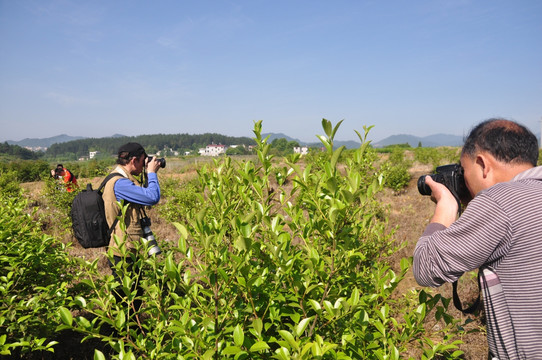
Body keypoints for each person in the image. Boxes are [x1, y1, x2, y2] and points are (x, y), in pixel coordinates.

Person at [413, 118, 542, 359]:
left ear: (482, 164)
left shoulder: (499, 202)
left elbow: (425, 267)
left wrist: (446, 205)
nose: (464, 181)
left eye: (464, 171)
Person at [102, 142, 162, 312]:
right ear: (134, 160)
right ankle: (122, 334)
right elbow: (152, 197)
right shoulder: (120, 183)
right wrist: (151, 173)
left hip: (125, 248)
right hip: (123, 251)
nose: (145, 164)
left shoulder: (121, 179)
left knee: (132, 294)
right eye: (144, 160)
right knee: (127, 299)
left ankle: (126, 332)